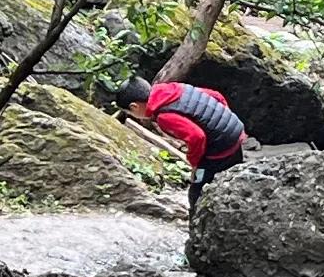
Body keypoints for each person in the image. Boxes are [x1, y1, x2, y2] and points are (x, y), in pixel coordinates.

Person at [97, 68, 252, 207]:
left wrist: (195, 164)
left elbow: (197, 137)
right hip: (235, 131)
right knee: (236, 181)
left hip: (222, 147)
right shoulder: (172, 89)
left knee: (197, 192)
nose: (134, 117)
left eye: (131, 113)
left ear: (134, 106)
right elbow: (216, 96)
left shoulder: (164, 116)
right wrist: (225, 120)